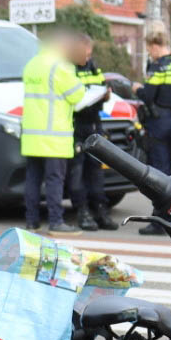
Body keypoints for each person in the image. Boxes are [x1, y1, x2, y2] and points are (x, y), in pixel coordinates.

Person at [20, 28, 90, 233]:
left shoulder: (31, 65)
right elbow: (77, 95)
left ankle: (31, 221)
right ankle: (56, 221)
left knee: (32, 179)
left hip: (32, 136)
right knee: (54, 180)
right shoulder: (60, 67)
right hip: (54, 136)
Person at [135, 24, 171, 235]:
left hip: (158, 121)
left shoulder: (157, 67)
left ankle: (160, 221)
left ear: (155, 46)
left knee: (158, 172)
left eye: (149, 49)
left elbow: (148, 95)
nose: (150, 53)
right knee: (170, 167)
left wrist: (137, 88)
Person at [67, 35, 117, 231]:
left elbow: (100, 86)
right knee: (77, 173)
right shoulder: (68, 69)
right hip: (77, 126)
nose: (87, 58)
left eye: (90, 54)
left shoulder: (94, 67)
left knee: (96, 172)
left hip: (94, 125)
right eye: (85, 54)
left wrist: (105, 95)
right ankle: (82, 211)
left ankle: (100, 211)